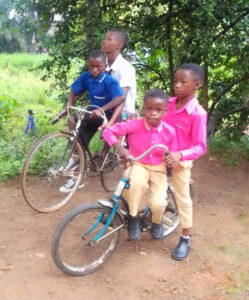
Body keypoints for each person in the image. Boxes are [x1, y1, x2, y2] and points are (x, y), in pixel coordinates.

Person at [103, 89, 177, 240]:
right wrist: (120, 147)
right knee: (135, 185)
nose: (153, 113)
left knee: (158, 203)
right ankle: (133, 218)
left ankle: (156, 221)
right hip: (139, 164)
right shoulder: (134, 125)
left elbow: (174, 155)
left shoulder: (170, 132)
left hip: (159, 169)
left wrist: (175, 168)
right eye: (149, 109)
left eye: (158, 110)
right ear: (143, 109)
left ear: (165, 111)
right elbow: (108, 132)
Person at [59, 50, 125, 193]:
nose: (94, 70)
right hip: (94, 113)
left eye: (98, 67)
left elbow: (120, 99)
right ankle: (79, 175)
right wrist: (69, 104)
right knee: (79, 135)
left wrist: (102, 110)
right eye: (91, 66)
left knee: (107, 136)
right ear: (88, 66)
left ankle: (104, 158)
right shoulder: (86, 77)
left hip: (110, 116)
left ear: (105, 66)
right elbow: (73, 89)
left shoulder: (109, 81)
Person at [164, 63, 208, 261]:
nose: (177, 85)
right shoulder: (168, 104)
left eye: (183, 81)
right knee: (134, 181)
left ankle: (185, 238)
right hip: (158, 156)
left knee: (182, 199)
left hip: (180, 163)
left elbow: (200, 147)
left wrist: (181, 154)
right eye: (175, 81)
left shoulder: (198, 114)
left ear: (196, 85)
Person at [101, 28, 136, 120]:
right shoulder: (101, 65)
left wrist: (102, 110)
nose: (104, 41)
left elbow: (121, 98)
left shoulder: (126, 68)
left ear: (119, 45)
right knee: (78, 119)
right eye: (105, 39)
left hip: (123, 114)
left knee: (110, 132)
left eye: (109, 39)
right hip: (107, 111)